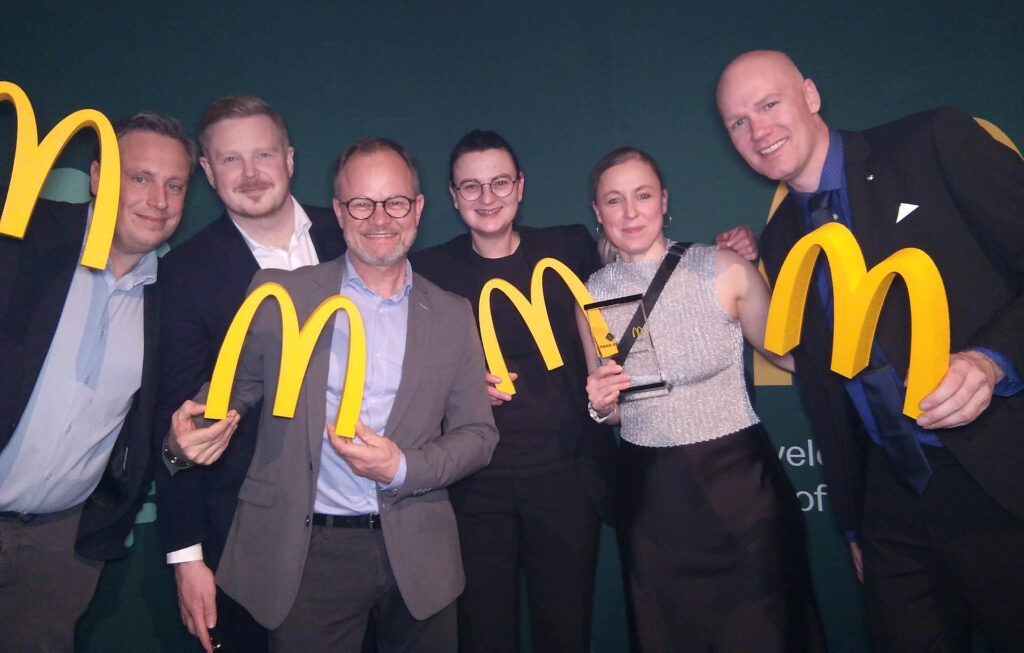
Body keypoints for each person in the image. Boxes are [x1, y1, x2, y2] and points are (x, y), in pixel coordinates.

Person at [716, 50, 1024, 652]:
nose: (759, 130)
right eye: (738, 122)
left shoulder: (931, 141)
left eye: (769, 104)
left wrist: (992, 362)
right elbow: (827, 388)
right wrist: (856, 523)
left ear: (810, 95)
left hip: (1001, 475)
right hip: (892, 503)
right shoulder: (781, 241)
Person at [410, 129, 760, 653]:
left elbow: (645, 268)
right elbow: (407, 371)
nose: (487, 197)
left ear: (520, 186)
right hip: (476, 485)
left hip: (567, 480)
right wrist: (458, 387)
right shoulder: (430, 271)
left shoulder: (569, 246)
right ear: (454, 196)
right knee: (483, 636)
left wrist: (730, 251)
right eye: (471, 186)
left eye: (500, 182)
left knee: (566, 632)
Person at [164, 137, 499, 652]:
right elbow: (228, 396)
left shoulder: (453, 314)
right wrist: (181, 442)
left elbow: (478, 435)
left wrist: (402, 467)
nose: (379, 218)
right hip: (305, 557)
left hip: (419, 554)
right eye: (362, 203)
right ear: (339, 212)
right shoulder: (282, 295)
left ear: (418, 209)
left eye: (395, 202)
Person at [581, 147, 825, 653]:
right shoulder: (590, 295)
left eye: (643, 195)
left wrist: (870, 350)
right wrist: (601, 406)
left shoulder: (722, 267)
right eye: (615, 200)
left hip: (743, 493)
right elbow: (615, 411)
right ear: (597, 212)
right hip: (652, 504)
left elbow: (790, 355)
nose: (631, 212)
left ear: (664, 201)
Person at [153, 95, 346, 653]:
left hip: (362, 523)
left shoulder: (352, 231)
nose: (251, 173)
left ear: (290, 158)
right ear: (208, 171)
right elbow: (178, 419)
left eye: (263, 154)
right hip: (244, 535)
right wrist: (187, 556)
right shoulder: (185, 272)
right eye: (230, 159)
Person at [0, 111, 196, 652]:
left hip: (61, 548)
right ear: (96, 176)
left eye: (174, 185)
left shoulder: (171, 298)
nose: (158, 200)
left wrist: (177, 449)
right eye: (141, 178)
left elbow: (153, 431)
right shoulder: (23, 238)